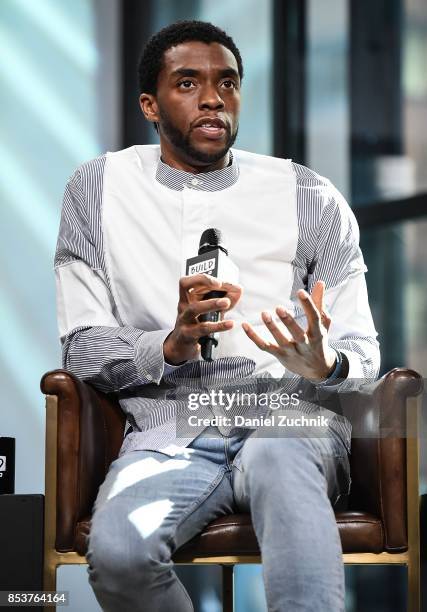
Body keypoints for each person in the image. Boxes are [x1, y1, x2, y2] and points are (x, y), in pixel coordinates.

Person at [55, 20, 380, 612]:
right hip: (167, 428)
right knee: (121, 556)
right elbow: (80, 344)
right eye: (188, 83)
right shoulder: (97, 189)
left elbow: (362, 352)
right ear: (149, 105)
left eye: (227, 83)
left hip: (287, 415)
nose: (213, 98)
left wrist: (325, 364)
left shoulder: (310, 196)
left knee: (280, 450)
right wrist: (169, 345)